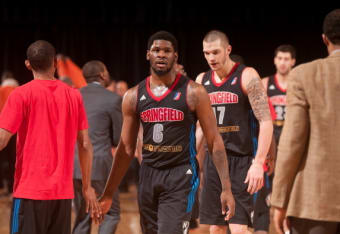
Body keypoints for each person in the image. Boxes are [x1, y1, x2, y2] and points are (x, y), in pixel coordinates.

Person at [99, 30, 235, 234]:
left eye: (167, 50)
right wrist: (108, 193)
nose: (161, 54)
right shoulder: (133, 96)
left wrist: (226, 188)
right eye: (156, 50)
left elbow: (214, 141)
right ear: (147, 54)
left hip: (181, 174)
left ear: (175, 56)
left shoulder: (194, 92)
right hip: (148, 174)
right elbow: (126, 148)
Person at [0, 40, 101, 234]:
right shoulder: (74, 96)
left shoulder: (20, 95)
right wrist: (87, 187)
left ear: (28, 64)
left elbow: (2, 140)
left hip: (29, 192)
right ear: (55, 62)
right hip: (62, 195)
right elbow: (86, 144)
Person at [196, 30, 273, 234]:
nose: (211, 58)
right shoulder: (202, 79)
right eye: (206, 53)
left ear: (228, 50)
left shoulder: (247, 75)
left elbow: (266, 121)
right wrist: (192, 160)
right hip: (213, 163)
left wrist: (258, 163)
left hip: (241, 161)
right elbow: (199, 129)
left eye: (215, 52)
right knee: (216, 229)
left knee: (238, 228)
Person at [272, 9, 340, 234]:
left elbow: (292, 143)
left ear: (324, 39)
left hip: (316, 202)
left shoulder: (304, 75)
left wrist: (279, 200)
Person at [72, 61, 122, 234]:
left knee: (82, 214)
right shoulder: (113, 99)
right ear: (102, 74)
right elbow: (118, 139)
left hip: (75, 166)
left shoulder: (73, 96)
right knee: (110, 214)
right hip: (100, 166)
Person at [252, 44, 297, 234]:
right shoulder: (264, 82)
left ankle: (290, 224)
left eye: (287, 59)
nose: (283, 62)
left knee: (291, 182)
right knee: (265, 181)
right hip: (271, 136)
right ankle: (261, 223)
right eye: (280, 58)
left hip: (292, 137)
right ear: (274, 60)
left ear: (293, 62)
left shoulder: (298, 83)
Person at [0, 71, 19, 195]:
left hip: (2, 129)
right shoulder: (19, 91)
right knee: (16, 159)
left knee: (2, 159)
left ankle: (4, 186)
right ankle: (15, 187)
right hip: (18, 131)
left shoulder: (1, 90)